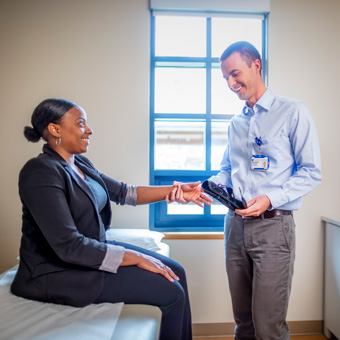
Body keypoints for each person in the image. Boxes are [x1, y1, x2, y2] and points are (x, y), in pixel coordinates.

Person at [11, 98, 212, 340]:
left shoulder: (80, 164)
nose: (89, 130)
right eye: (80, 123)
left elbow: (125, 192)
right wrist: (134, 257)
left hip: (87, 254)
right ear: (55, 130)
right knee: (171, 291)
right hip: (54, 271)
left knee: (175, 270)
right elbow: (67, 245)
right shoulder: (40, 171)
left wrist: (177, 191)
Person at [209, 41, 322, 340]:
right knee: (243, 322)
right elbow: (226, 170)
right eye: (225, 79)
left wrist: (270, 198)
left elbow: (311, 172)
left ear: (256, 65)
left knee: (268, 326)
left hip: (273, 227)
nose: (231, 83)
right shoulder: (236, 123)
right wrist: (204, 188)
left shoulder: (293, 111)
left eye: (235, 74)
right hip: (234, 227)